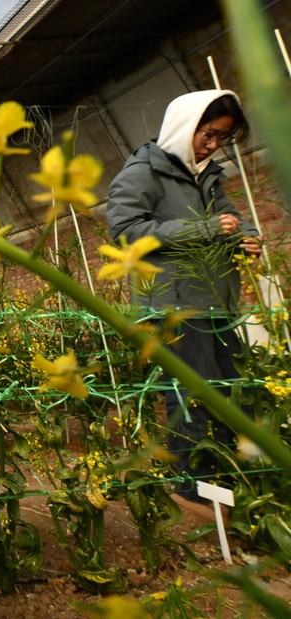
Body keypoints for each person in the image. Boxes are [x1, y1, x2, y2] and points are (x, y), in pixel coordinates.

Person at [106, 89, 262, 511]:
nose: (211, 145)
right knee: (193, 392)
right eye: (207, 134)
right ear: (184, 126)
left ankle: (232, 482)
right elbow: (124, 230)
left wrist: (245, 235)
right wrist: (206, 230)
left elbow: (230, 217)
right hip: (174, 303)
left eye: (220, 138)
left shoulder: (208, 173)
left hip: (217, 300)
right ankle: (195, 487)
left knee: (231, 390)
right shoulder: (143, 171)